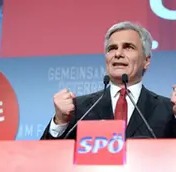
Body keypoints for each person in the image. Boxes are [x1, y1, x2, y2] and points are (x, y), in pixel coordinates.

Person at [40, 21, 176, 140]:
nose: (118, 54)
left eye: (128, 47)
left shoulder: (168, 110)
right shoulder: (79, 109)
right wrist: (60, 122)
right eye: (112, 48)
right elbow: (46, 159)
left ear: (146, 61)